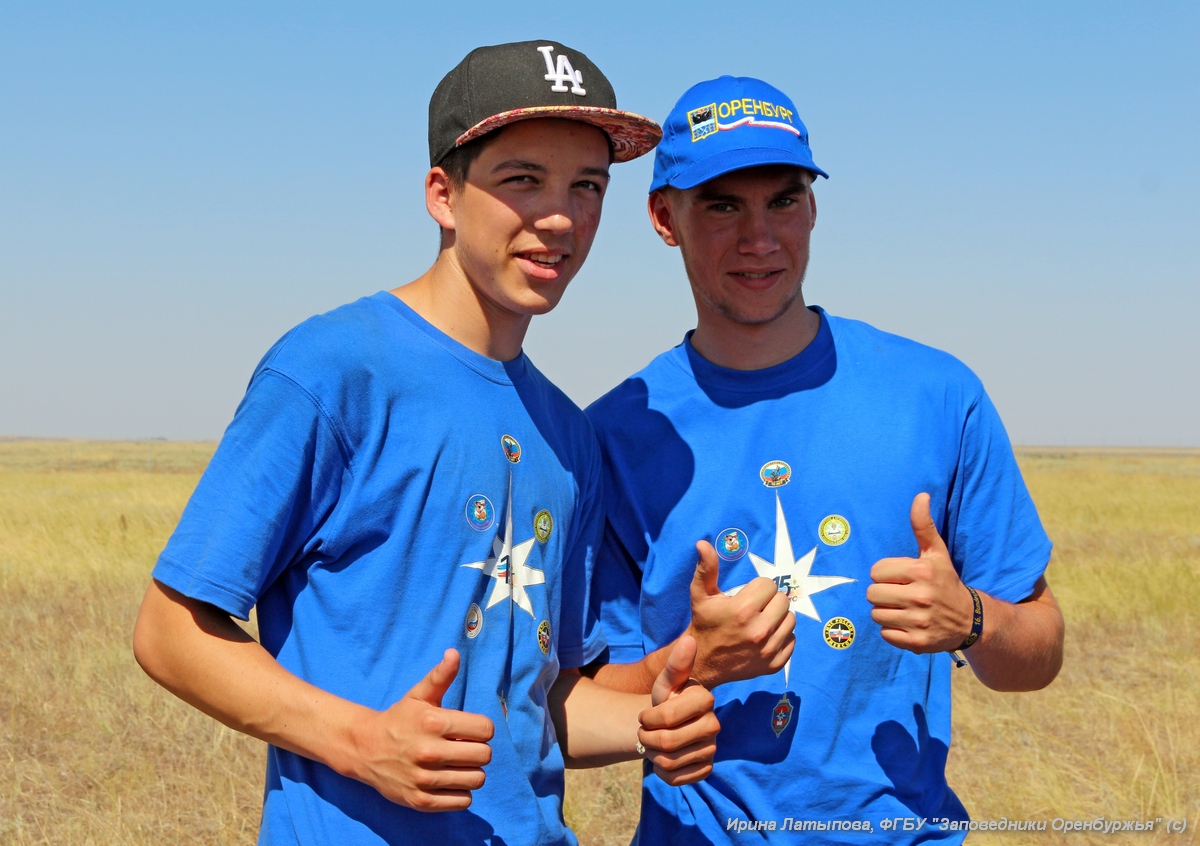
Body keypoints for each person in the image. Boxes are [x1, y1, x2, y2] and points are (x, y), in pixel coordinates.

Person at [132, 41, 720, 846]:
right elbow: (169, 632)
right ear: (443, 195)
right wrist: (361, 743)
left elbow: (538, 701)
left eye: (587, 186)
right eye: (523, 180)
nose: (560, 218)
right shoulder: (335, 370)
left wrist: (649, 721)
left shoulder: (567, 434)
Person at [583, 75, 1065, 844]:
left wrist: (972, 619)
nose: (759, 239)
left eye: (783, 200)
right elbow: (584, 701)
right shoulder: (615, 436)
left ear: (813, 208)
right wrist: (693, 661)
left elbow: (1038, 652)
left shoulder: (936, 396)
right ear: (664, 217)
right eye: (722, 206)